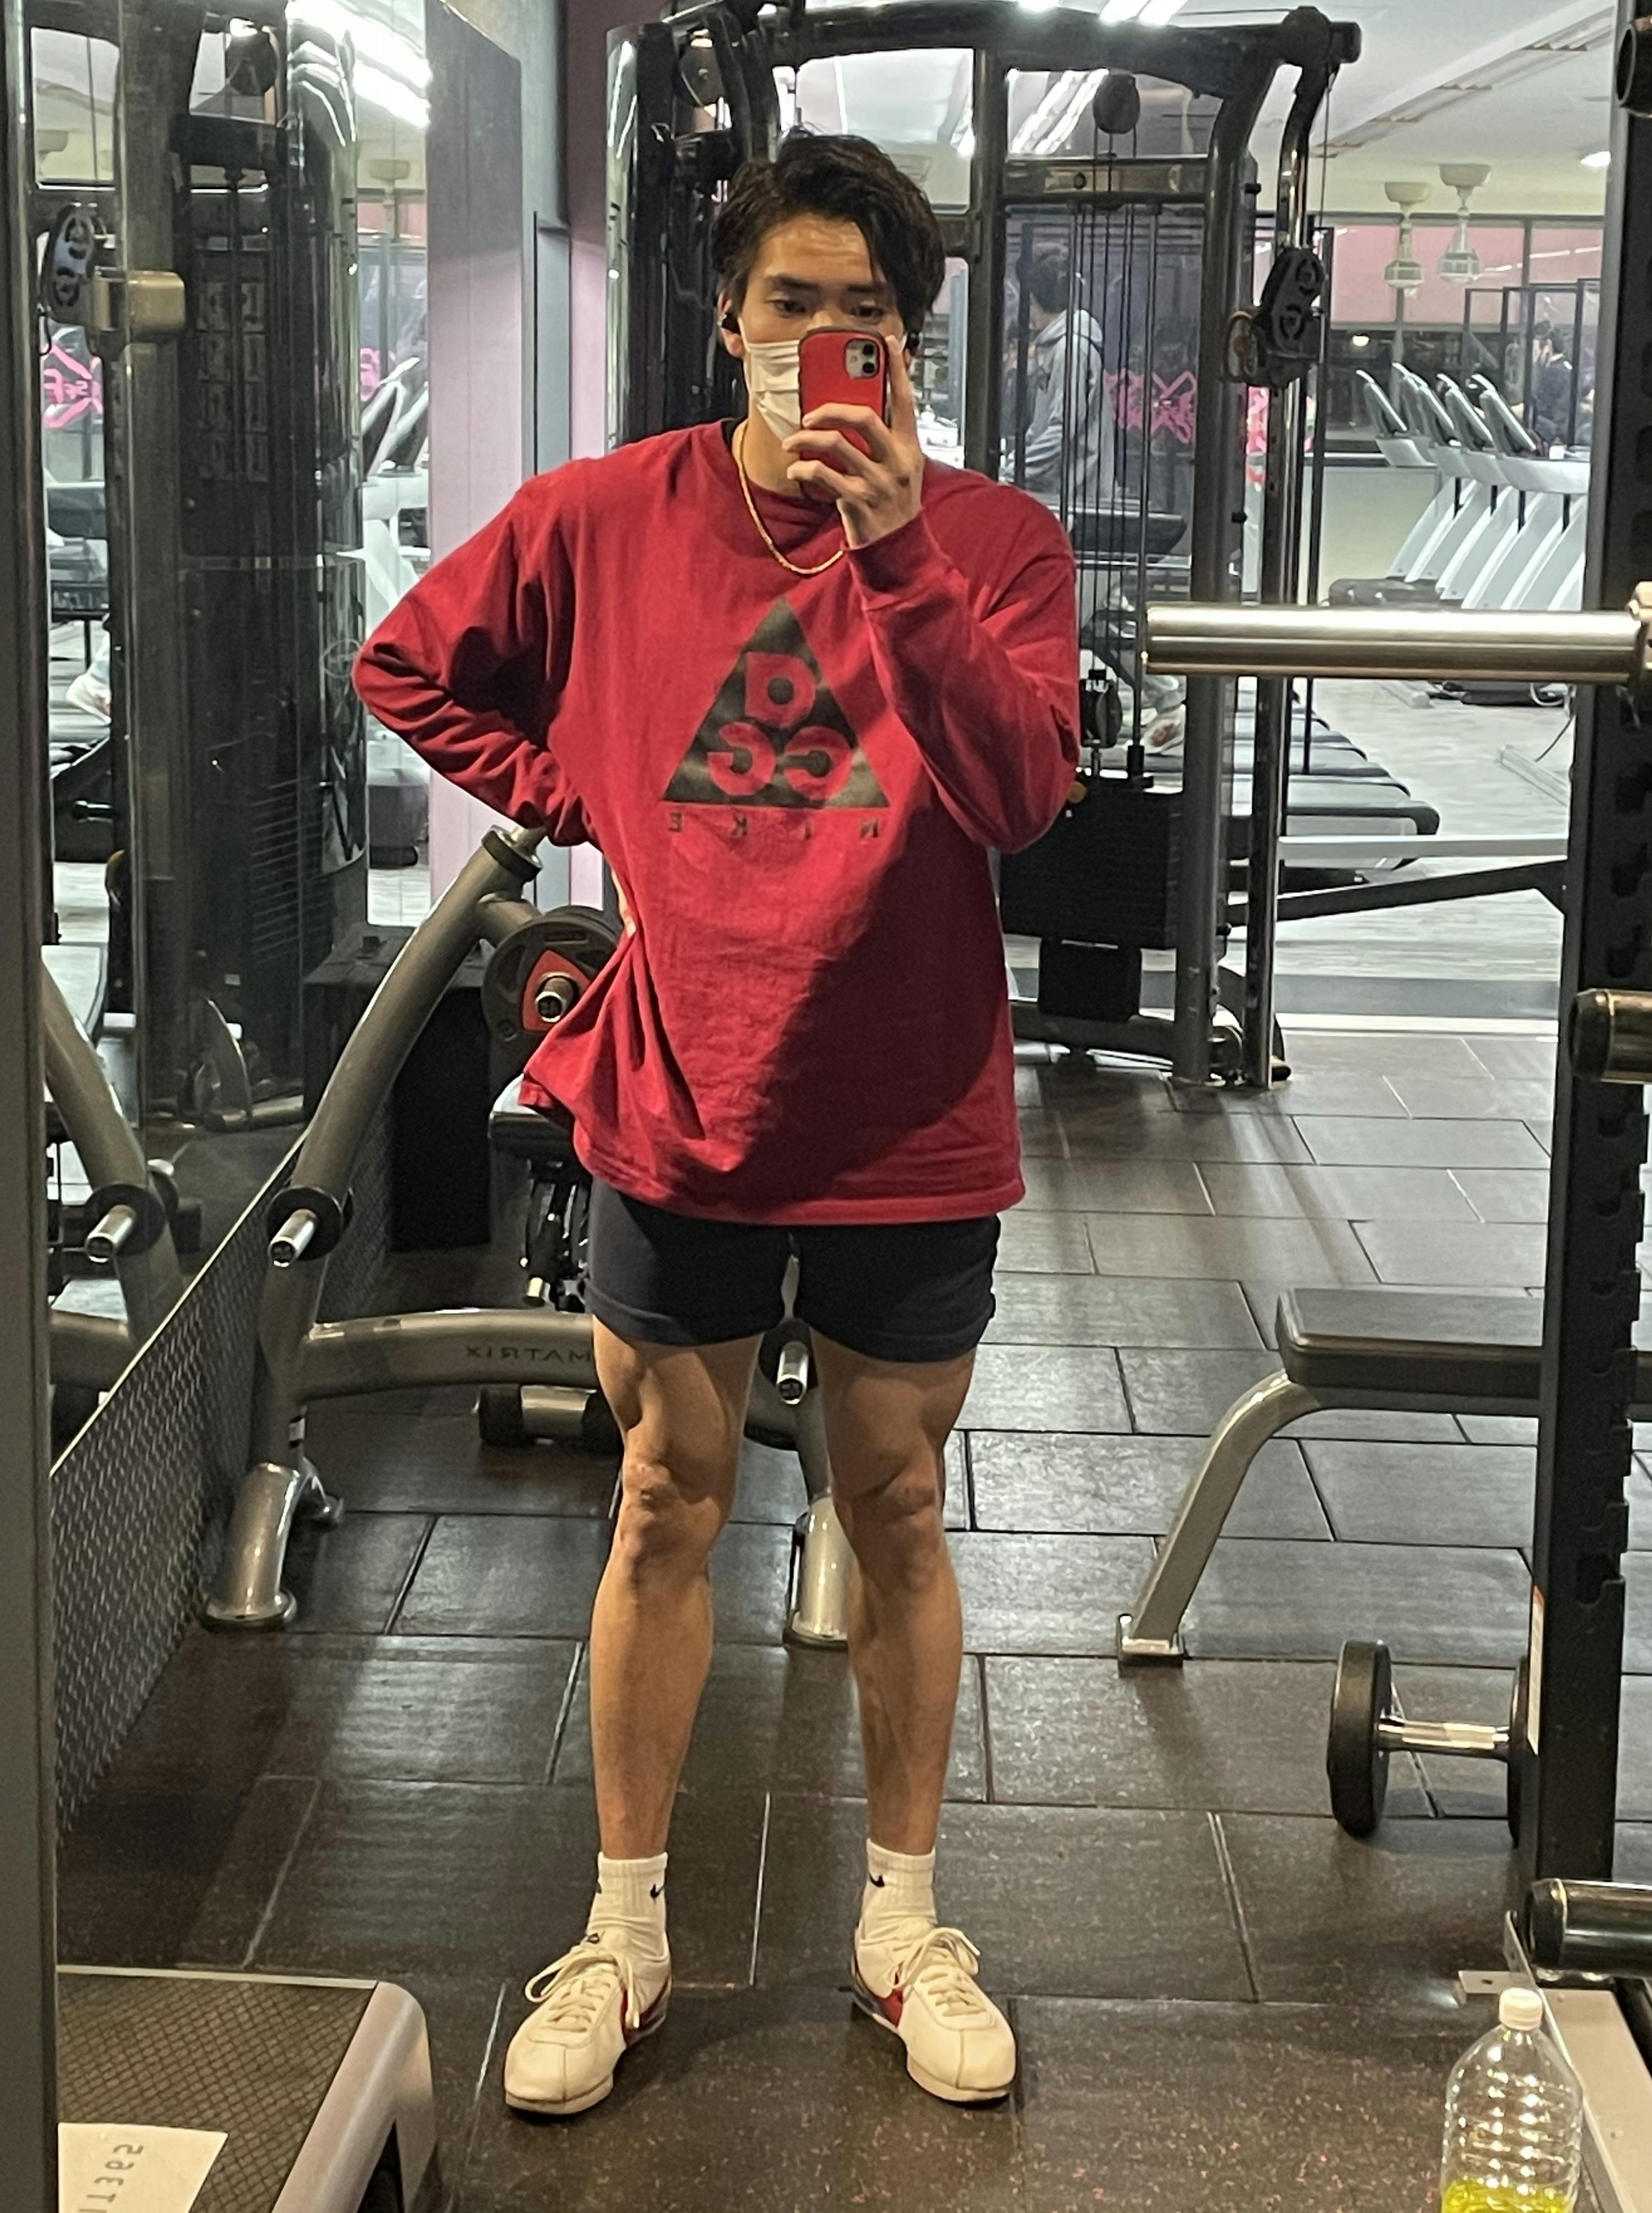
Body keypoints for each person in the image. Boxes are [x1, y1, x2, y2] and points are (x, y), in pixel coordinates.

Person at [352, 133, 1078, 2120]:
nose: (826, 339)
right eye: (792, 304)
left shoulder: (995, 541)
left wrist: (900, 553)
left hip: (907, 1103)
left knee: (894, 1508)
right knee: (665, 1499)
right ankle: (622, 1933)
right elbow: (405, 660)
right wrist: (569, 783)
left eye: (868, 314)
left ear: (908, 345)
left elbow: (1019, 794)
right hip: (687, 1089)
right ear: (730, 323)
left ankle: (902, 1927)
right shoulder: (605, 518)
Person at [1015, 240, 1111, 510]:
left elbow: (1062, 429)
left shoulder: (1070, 349)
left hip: (1073, 497)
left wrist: (1016, 470)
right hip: (1061, 493)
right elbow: (1042, 426)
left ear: (1033, 298)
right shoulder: (1060, 346)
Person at [1528, 321, 1576, 449]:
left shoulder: (1552, 374)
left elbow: (1541, 410)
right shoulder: (1568, 369)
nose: (1533, 357)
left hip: (1552, 438)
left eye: (1534, 350)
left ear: (1548, 346)